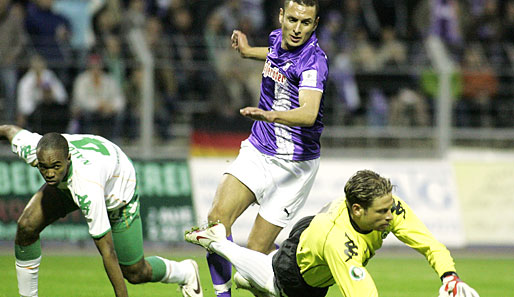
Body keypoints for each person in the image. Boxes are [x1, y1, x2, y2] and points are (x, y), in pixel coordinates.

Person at [185, 169, 481, 297]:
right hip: (300, 265)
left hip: (317, 233)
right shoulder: (341, 243)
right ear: (357, 210)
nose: (390, 217)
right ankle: (217, 242)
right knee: (276, 284)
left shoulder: (390, 209)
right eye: (381, 212)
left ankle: (246, 275)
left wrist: (449, 277)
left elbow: (430, 244)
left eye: (390, 208)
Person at [205, 0, 328, 296]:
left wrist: (272, 115)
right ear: (281, 16)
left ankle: (292, 278)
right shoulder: (276, 38)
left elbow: (309, 112)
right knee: (216, 221)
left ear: (315, 24)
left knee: (256, 257)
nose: (297, 29)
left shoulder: (314, 61)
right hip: (260, 150)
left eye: (306, 23)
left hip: (294, 167)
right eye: (293, 20)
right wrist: (248, 52)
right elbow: (274, 54)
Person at [0, 124, 203, 297]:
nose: (49, 173)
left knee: (135, 273)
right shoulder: (37, 149)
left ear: (68, 158)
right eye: (44, 167)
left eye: (55, 166)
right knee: (26, 227)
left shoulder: (88, 187)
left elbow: (107, 252)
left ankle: (185, 271)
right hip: (75, 181)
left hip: (118, 194)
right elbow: (9, 130)